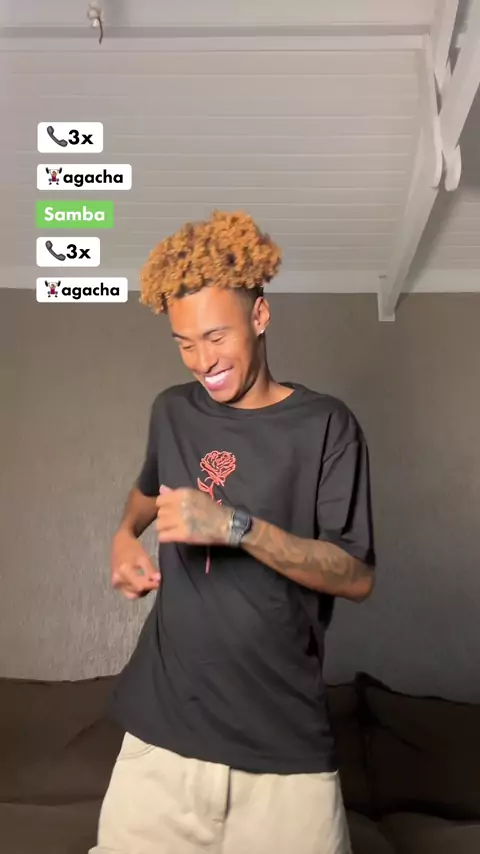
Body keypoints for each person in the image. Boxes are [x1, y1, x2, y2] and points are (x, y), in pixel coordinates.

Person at [90, 210, 376, 854]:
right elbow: (145, 493)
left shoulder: (327, 426)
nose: (203, 361)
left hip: (285, 758)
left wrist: (235, 526)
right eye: (185, 343)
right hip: (160, 748)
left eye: (216, 336)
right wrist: (124, 536)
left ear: (260, 316)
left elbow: (356, 576)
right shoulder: (172, 411)